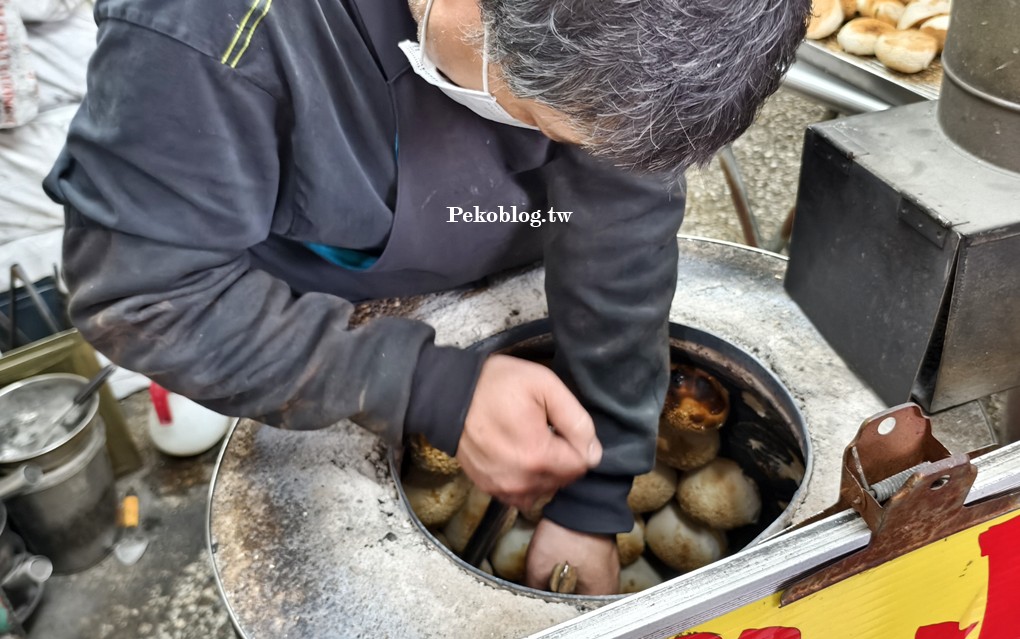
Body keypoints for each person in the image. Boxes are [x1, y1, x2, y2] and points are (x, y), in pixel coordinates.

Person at [43, 0, 809, 593]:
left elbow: (620, 212)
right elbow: (146, 296)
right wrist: (418, 385)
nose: (552, 143)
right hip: (317, 311)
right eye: (540, 120)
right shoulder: (202, 34)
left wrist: (599, 490)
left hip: (510, 234)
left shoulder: (622, 30)